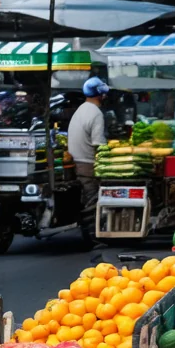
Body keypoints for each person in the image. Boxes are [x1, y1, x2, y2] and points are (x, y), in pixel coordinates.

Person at [67, 76, 109, 241]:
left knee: (87, 198)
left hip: (77, 161)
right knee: (92, 201)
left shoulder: (81, 109)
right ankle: (93, 238)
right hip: (88, 164)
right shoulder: (96, 113)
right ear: (101, 95)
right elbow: (98, 143)